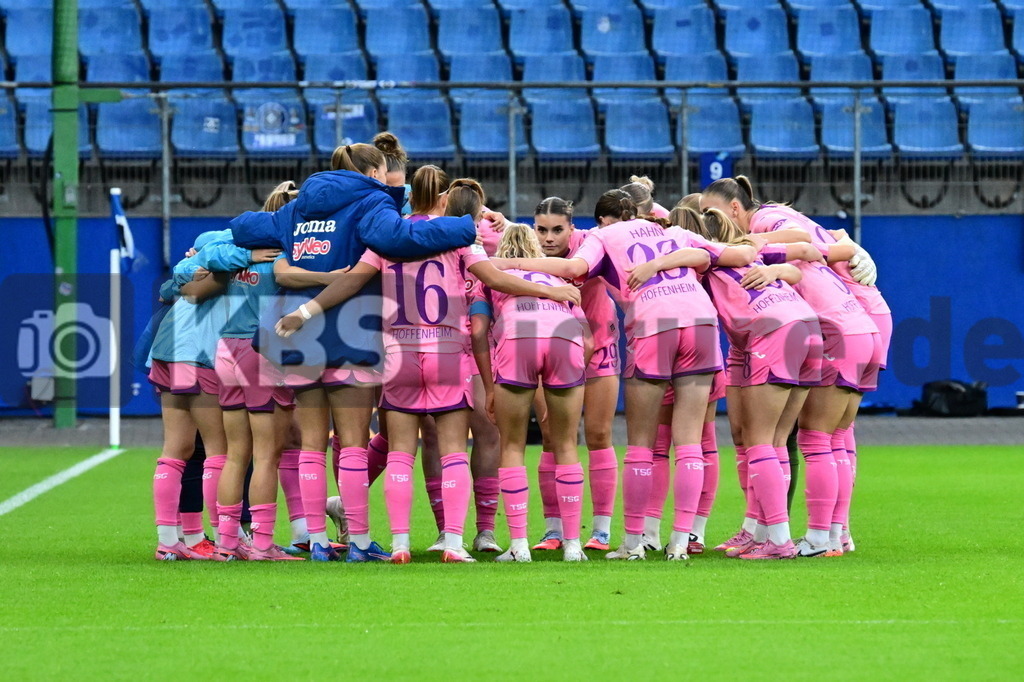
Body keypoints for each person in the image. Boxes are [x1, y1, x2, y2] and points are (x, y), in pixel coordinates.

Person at [275, 185, 581, 563]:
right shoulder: (457, 239)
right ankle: (454, 542)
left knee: (401, 451)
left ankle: (401, 544)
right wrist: (549, 291)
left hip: (399, 353)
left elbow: (351, 281)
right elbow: (496, 279)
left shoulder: (385, 240)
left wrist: (303, 313)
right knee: (455, 450)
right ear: (441, 202)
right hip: (447, 352)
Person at [231, 143, 478, 562]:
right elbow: (398, 237)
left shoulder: (298, 207)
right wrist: (462, 227)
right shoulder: (370, 202)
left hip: (295, 332)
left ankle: (319, 543)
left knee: (311, 444)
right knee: (352, 445)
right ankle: (360, 542)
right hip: (349, 330)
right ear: (373, 171)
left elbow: (244, 227)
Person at [492, 190, 756, 561]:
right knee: (691, 441)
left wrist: (497, 265)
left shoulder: (602, 236)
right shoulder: (674, 232)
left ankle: (634, 542)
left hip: (653, 324)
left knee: (641, 445)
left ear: (604, 220)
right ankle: (681, 542)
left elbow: (572, 270)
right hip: (700, 321)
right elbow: (740, 253)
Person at [700, 177, 881, 558]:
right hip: (862, 321)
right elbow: (815, 247)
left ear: (734, 209)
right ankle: (835, 533)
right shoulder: (778, 244)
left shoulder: (765, 221)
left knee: (811, 439)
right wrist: (847, 247)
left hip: (835, 330)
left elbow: (803, 239)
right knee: (834, 438)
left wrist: (757, 245)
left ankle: (813, 537)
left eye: (709, 212)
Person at [634, 207, 829, 559]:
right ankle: (765, 532)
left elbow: (690, 251)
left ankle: (780, 541)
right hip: (808, 326)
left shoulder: (703, 261)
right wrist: (779, 269)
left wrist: (654, 263)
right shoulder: (749, 251)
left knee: (758, 442)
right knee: (777, 441)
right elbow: (805, 255)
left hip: (774, 331)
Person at [149, 230, 279, 560]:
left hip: (167, 348)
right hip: (200, 355)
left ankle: (171, 541)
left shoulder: (197, 271)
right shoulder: (235, 270)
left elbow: (169, 288)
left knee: (175, 448)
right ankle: (228, 539)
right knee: (220, 451)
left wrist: (194, 263)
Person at [471, 223, 593, 562]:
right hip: (564, 337)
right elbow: (589, 341)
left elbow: (478, 331)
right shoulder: (559, 278)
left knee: (512, 445)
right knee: (566, 443)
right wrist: (566, 379)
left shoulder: (489, 276)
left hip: (517, 336)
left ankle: (519, 546)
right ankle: (572, 545)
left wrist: (493, 384)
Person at [531, 197, 621, 552]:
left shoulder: (594, 243)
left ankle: (600, 531)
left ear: (572, 227)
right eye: (542, 229)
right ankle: (553, 531)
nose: (548, 237)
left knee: (599, 434)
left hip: (598, 346)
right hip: (552, 352)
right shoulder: (525, 246)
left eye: (557, 229)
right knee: (552, 437)